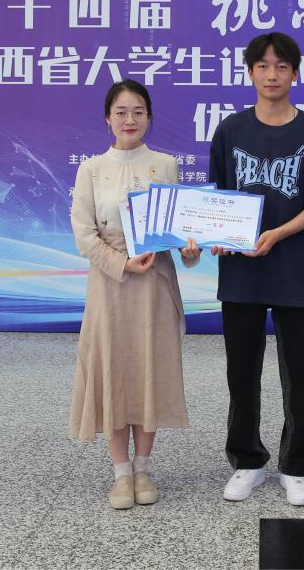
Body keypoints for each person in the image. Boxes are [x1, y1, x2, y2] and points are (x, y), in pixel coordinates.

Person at [208, 32, 304, 506]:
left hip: (294, 268)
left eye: (281, 66)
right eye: (262, 66)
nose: (272, 75)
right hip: (240, 273)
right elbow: (216, 198)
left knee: (299, 374)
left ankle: (296, 465)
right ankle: (248, 460)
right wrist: (216, 234)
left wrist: (278, 234)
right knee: (241, 373)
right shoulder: (230, 130)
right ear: (250, 72)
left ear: (295, 73)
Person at [69, 79, 202, 510]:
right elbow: (84, 235)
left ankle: (143, 468)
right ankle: (121, 473)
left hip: (154, 284)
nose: (130, 119)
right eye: (121, 112)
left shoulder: (165, 165)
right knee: (113, 370)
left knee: (149, 370)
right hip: (110, 284)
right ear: (107, 118)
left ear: (149, 117)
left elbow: (179, 229)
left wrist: (190, 248)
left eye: (138, 112)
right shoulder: (91, 169)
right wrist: (121, 263)